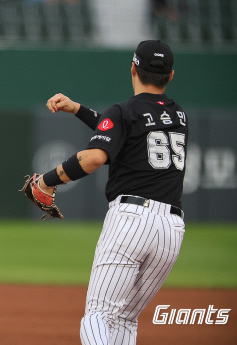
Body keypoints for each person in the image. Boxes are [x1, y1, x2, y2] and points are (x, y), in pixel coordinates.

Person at [37, 40, 187, 344]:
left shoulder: (124, 111)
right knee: (124, 320)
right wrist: (78, 109)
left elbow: (96, 156)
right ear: (170, 76)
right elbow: (124, 129)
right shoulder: (178, 116)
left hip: (131, 221)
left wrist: (47, 180)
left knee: (97, 315)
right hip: (171, 229)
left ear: (132, 68)